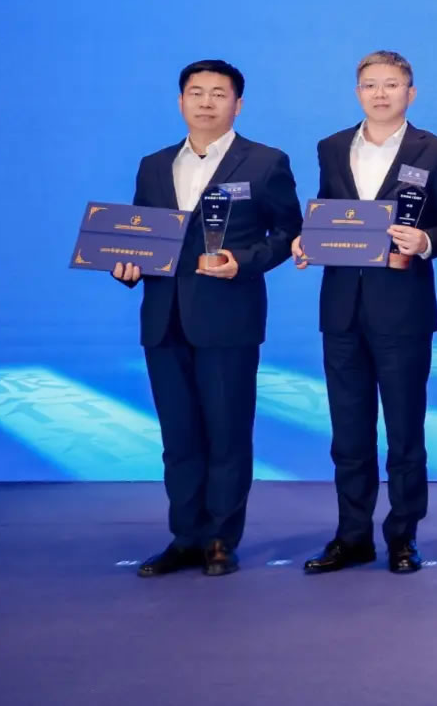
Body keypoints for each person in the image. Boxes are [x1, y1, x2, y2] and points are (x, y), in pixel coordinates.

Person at [112, 59, 300, 578]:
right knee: (179, 437)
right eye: (196, 92)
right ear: (181, 102)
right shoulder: (154, 165)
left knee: (227, 433)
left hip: (228, 316)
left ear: (238, 105)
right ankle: (185, 537)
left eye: (219, 93)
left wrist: (245, 261)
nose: (206, 102)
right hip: (164, 318)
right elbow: (140, 236)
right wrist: (126, 267)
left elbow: (289, 233)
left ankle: (220, 539)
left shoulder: (264, 162)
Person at [292, 50, 437, 575]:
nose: (380, 93)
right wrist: (306, 240)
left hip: (403, 309)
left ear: (411, 92)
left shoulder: (436, 151)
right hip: (341, 308)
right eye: (370, 84)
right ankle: (352, 536)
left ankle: (403, 536)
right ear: (357, 92)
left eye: (391, 84)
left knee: (405, 432)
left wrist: (425, 241)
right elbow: (327, 210)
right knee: (348, 433)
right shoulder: (331, 147)